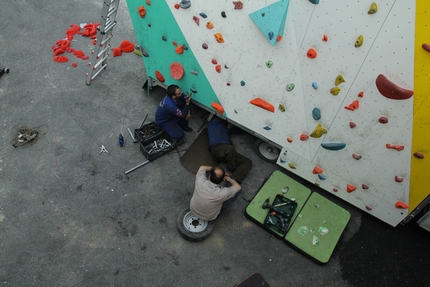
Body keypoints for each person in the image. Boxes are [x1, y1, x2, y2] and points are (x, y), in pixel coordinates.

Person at [207, 117, 252, 183]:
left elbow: (238, 131)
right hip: (217, 148)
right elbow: (222, 117)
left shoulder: (226, 128)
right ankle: (231, 166)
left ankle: (234, 181)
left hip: (228, 153)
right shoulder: (213, 124)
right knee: (230, 148)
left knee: (247, 162)